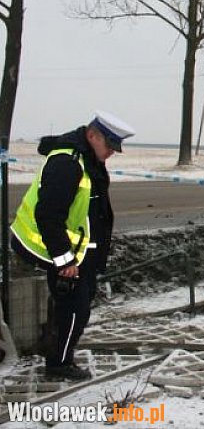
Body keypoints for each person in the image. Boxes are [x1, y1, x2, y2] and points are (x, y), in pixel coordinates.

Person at [10, 111, 134, 380]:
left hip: (78, 251)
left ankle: (55, 352)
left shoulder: (87, 159)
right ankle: (59, 364)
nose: (112, 152)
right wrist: (64, 259)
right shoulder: (67, 163)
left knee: (73, 305)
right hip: (62, 252)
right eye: (109, 145)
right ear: (91, 135)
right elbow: (48, 215)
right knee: (75, 309)